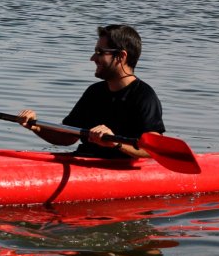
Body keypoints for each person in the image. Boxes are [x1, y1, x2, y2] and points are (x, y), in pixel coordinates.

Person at [17, 24, 165, 159]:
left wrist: (115, 143)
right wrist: (35, 126)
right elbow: (68, 137)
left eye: (100, 52)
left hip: (117, 168)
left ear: (121, 56)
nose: (93, 58)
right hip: (85, 160)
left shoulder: (144, 96)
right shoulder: (94, 92)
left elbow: (153, 149)